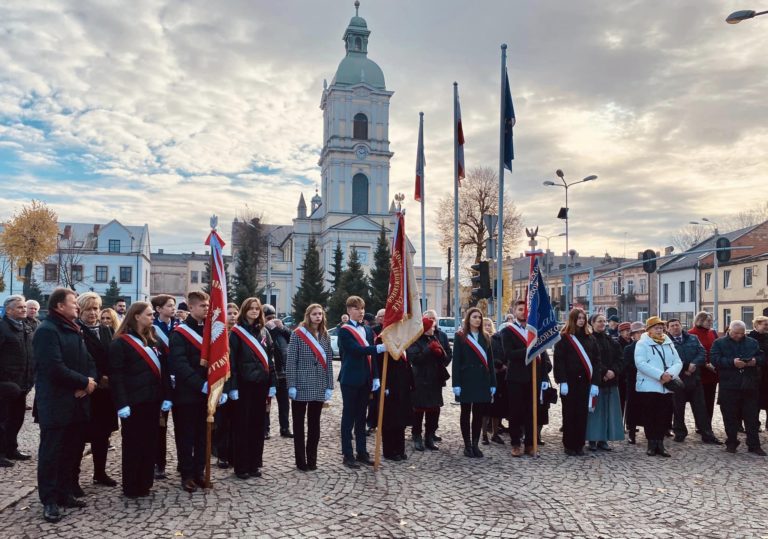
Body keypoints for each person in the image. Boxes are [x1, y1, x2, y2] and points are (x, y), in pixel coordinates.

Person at [34, 288, 97, 523]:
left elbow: (88, 360)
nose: (77, 307)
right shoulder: (47, 330)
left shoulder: (74, 329)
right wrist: (83, 381)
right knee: (51, 454)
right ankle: (49, 500)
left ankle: (65, 492)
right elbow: (53, 367)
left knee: (71, 451)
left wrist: (90, 381)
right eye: (73, 303)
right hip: (56, 403)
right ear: (60, 306)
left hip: (78, 402)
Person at [110, 302, 172, 497]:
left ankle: (145, 482)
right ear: (136, 316)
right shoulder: (121, 342)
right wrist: (121, 403)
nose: (152, 317)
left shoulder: (154, 340)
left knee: (149, 443)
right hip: (133, 402)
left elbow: (164, 371)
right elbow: (116, 375)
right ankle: (131, 485)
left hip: (153, 400)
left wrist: (167, 395)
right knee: (133, 445)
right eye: (149, 314)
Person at [169, 291, 216, 492]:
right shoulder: (180, 333)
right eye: (203, 306)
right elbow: (180, 364)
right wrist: (200, 384)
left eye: (208, 305)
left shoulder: (212, 331)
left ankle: (200, 472)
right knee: (186, 436)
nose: (207, 309)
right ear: (191, 308)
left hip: (208, 394)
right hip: (187, 394)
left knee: (203, 436)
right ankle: (187, 475)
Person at [228, 297, 276, 479]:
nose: (255, 311)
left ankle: (255, 464)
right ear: (244, 310)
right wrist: (232, 387)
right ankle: (241, 466)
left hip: (261, 385)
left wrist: (272, 383)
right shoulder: (236, 333)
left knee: (258, 425)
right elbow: (231, 362)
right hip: (243, 385)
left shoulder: (264, 332)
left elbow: (270, 359)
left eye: (257, 309)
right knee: (242, 426)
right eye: (251, 309)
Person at [76, 292, 118, 488]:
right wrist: (97, 377)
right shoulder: (77, 330)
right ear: (80, 310)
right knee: (81, 436)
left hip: (106, 392)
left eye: (95, 308)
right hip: (88, 389)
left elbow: (111, 356)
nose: (93, 313)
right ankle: (73, 478)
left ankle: (99, 473)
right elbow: (80, 360)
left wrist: (110, 375)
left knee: (102, 435)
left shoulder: (105, 330)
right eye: (88, 309)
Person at [286, 304, 334, 471]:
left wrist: (330, 385)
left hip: (319, 385)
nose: (318, 316)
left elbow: (328, 362)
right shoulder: (297, 334)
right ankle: (301, 461)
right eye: (314, 314)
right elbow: (291, 361)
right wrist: (291, 384)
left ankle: (312, 460)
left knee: (315, 425)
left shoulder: (325, 335)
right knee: (299, 426)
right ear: (308, 315)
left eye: (320, 313)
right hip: (301, 385)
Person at [337, 296, 383, 469]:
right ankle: (348, 454)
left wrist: (376, 376)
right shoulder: (344, 330)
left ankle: (362, 452)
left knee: (361, 418)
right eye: (356, 308)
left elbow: (372, 358)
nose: (361, 311)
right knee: (348, 417)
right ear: (349, 311)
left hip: (366, 378)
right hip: (350, 379)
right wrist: (377, 348)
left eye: (362, 308)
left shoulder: (368, 331)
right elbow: (355, 351)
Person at [501, 300, 548, 457]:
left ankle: (530, 443)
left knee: (531, 412)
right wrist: (528, 350)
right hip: (515, 377)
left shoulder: (534, 332)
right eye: (520, 309)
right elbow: (509, 355)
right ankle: (516, 443)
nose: (523, 312)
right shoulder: (508, 331)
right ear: (514, 312)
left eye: (525, 310)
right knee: (515, 412)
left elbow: (543, 354)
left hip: (533, 377)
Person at [711, 320, 765, 455]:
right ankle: (732, 442)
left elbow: (762, 357)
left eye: (742, 333)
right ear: (729, 330)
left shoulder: (752, 342)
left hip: (749, 384)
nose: (739, 336)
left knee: (751, 417)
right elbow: (714, 360)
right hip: (729, 385)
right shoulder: (719, 343)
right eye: (736, 333)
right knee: (730, 416)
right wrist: (732, 362)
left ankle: (754, 444)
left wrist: (755, 361)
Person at [554, 308, 601, 456]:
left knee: (582, 414)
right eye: (578, 318)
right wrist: (562, 381)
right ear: (573, 320)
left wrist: (595, 383)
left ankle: (579, 444)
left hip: (585, 382)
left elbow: (596, 362)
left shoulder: (591, 338)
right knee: (569, 414)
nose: (581, 321)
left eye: (583, 318)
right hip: (569, 382)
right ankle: (569, 444)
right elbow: (559, 361)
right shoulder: (564, 338)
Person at [634, 316, 682, 457]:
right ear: (649, 330)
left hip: (666, 385)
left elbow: (678, 361)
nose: (659, 330)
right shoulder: (642, 344)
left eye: (661, 327)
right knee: (650, 415)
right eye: (656, 328)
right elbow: (641, 364)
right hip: (649, 385)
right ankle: (651, 443)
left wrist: (669, 375)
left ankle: (660, 443)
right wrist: (660, 375)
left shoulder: (668, 342)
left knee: (663, 415)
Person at [667, 318, 720, 444]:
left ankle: (707, 434)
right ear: (668, 329)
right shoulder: (666, 342)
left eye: (677, 325)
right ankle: (679, 433)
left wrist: (694, 364)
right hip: (677, 379)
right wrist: (685, 367)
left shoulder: (693, 338)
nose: (675, 327)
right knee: (678, 408)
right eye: (672, 326)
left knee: (701, 408)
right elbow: (667, 359)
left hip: (694, 379)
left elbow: (702, 353)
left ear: (681, 326)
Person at [452, 307, 496, 458]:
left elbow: (490, 363)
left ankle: (475, 444)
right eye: (474, 317)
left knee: (478, 414)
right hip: (466, 380)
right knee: (465, 413)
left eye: (479, 317)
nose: (477, 319)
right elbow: (456, 361)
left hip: (482, 380)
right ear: (468, 319)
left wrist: (493, 383)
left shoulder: (486, 337)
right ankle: (467, 445)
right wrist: (456, 383)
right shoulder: (460, 337)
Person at [0, 295, 34, 466]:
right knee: (2, 420)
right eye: (19, 307)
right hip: (5, 384)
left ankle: (11, 449)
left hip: (22, 383)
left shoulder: (25, 327)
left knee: (17, 418)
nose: (24, 309)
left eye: (24, 307)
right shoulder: (2, 327)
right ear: (9, 310)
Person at [407, 316, 450, 451]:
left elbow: (445, 357)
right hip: (420, 379)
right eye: (431, 326)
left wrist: (440, 352)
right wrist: (428, 350)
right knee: (418, 410)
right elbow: (414, 359)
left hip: (434, 379)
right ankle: (417, 435)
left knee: (434, 410)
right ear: (425, 329)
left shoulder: (435, 338)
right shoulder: (414, 340)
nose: (434, 328)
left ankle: (429, 436)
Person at [586, 314, 625, 451]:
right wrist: (604, 372)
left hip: (611, 381)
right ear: (592, 323)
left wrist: (613, 372)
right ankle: (592, 438)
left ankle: (603, 439)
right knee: (595, 412)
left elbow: (620, 359)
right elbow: (592, 360)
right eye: (599, 321)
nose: (602, 324)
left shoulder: (612, 341)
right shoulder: (589, 340)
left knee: (608, 412)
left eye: (604, 321)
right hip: (596, 381)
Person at [150, 294, 179, 479]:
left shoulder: (180, 327)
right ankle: (158, 463)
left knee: (184, 424)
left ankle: (184, 461)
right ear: (159, 309)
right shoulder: (152, 329)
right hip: (161, 381)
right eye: (169, 305)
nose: (172, 308)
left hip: (180, 380)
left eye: (173, 305)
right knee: (160, 426)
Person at [376, 329, 413, 462]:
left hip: (402, 385)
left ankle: (400, 448)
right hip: (389, 385)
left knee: (401, 419)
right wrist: (383, 385)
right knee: (390, 419)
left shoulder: (403, 339)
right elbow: (379, 364)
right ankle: (389, 451)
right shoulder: (383, 339)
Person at [263, 304, 292, 439]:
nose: (272, 320)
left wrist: (282, 327)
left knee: (284, 403)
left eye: (273, 317)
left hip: (283, 372)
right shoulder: (263, 331)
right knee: (266, 402)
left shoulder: (281, 329)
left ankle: (285, 428)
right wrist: (271, 328)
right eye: (268, 318)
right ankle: (265, 429)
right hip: (269, 373)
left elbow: (292, 338)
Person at [422, 309, 451, 442]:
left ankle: (432, 431)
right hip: (422, 377)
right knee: (420, 406)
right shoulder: (418, 336)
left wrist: (443, 362)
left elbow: (448, 353)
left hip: (437, 375)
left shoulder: (442, 335)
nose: (432, 321)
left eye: (434, 318)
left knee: (435, 406)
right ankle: (417, 432)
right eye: (429, 319)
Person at [687, 311, 719, 423]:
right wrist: (704, 364)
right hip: (699, 371)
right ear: (700, 320)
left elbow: (716, 350)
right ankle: (699, 424)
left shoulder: (713, 333)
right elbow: (691, 353)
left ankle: (708, 423)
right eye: (708, 321)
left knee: (710, 399)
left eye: (711, 321)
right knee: (699, 400)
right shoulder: (690, 334)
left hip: (712, 372)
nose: (710, 323)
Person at [482, 317, 507, 445]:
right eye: (484, 325)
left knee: (497, 408)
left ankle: (495, 433)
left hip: (500, 377)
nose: (487, 327)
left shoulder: (498, 339)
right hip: (486, 377)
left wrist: (502, 365)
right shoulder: (482, 340)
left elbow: (504, 354)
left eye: (489, 325)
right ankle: (484, 434)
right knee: (485, 408)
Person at [622, 322, 645, 444]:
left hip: (648, 381)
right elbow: (627, 365)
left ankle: (649, 431)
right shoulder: (629, 348)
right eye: (638, 333)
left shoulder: (649, 347)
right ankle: (631, 432)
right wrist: (642, 369)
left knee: (647, 407)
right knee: (632, 407)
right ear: (633, 335)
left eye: (642, 332)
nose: (641, 334)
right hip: (633, 381)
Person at [749, 316, 768, 430]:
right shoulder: (751, 337)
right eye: (764, 324)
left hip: (767, 373)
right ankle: (755, 424)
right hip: (756, 373)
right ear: (756, 325)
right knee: (754, 400)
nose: (766, 327)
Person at [616, 322, 632, 414]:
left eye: (629, 330)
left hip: (631, 375)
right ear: (621, 332)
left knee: (631, 401)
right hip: (621, 376)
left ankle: (631, 424)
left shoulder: (633, 343)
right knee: (621, 401)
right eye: (626, 331)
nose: (628, 333)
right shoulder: (617, 343)